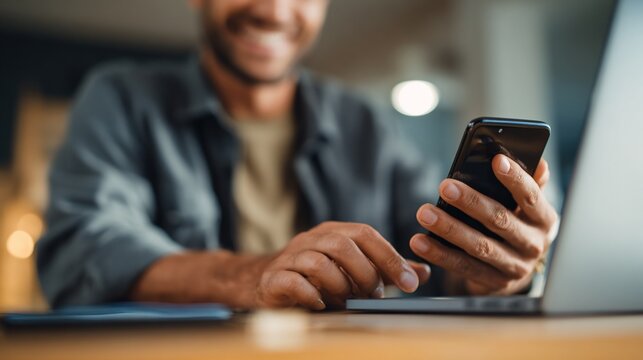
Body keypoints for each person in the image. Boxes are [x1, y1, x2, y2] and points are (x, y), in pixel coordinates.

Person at [37, 0, 559, 309]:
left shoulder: (365, 123)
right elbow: (82, 249)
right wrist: (252, 274)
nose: (273, 9)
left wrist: (496, 270)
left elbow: (434, 258)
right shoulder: (120, 99)